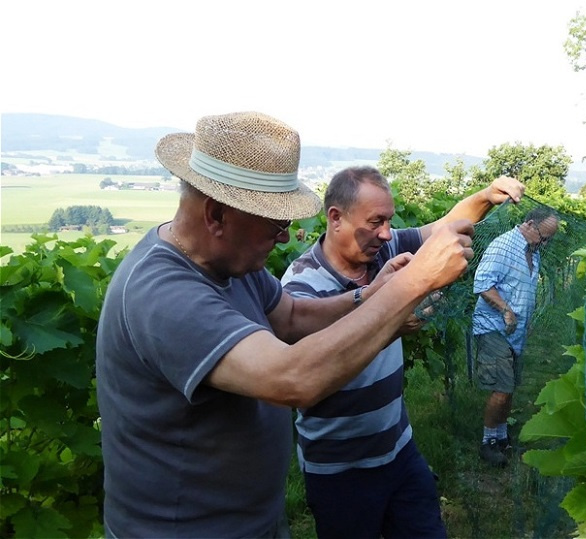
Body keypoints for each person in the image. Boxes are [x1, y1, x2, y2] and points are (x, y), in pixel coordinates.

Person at [95, 112, 478, 538]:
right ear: (216, 215)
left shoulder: (230, 263)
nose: (284, 237)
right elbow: (292, 379)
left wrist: (370, 295)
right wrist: (413, 283)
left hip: (251, 522)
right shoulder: (163, 293)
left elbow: (293, 317)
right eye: (275, 225)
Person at [279, 166, 524, 538]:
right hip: (340, 469)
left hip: (399, 449)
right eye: (375, 222)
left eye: (389, 221)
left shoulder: (385, 248)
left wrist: (485, 197)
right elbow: (317, 368)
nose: (386, 232)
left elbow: (441, 228)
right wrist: (392, 322)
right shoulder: (302, 286)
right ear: (336, 218)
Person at [471, 206, 559, 466]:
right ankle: (488, 442)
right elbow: (482, 284)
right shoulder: (503, 246)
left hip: (515, 331)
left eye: (549, 240)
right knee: (502, 388)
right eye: (543, 237)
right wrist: (506, 310)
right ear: (529, 224)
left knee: (509, 388)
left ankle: (501, 436)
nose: (545, 244)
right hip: (493, 327)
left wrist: (525, 320)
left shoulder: (533, 251)